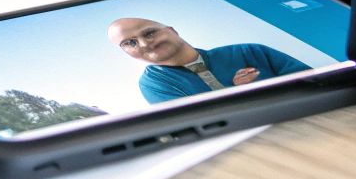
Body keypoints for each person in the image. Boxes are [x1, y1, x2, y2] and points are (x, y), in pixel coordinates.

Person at [106, 17, 311, 104]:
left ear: (172, 31)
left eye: (149, 32)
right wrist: (238, 90)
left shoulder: (250, 51)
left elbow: (312, 83)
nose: (144, 44)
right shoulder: (154, 84)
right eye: (130, 42)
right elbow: (194, 121)